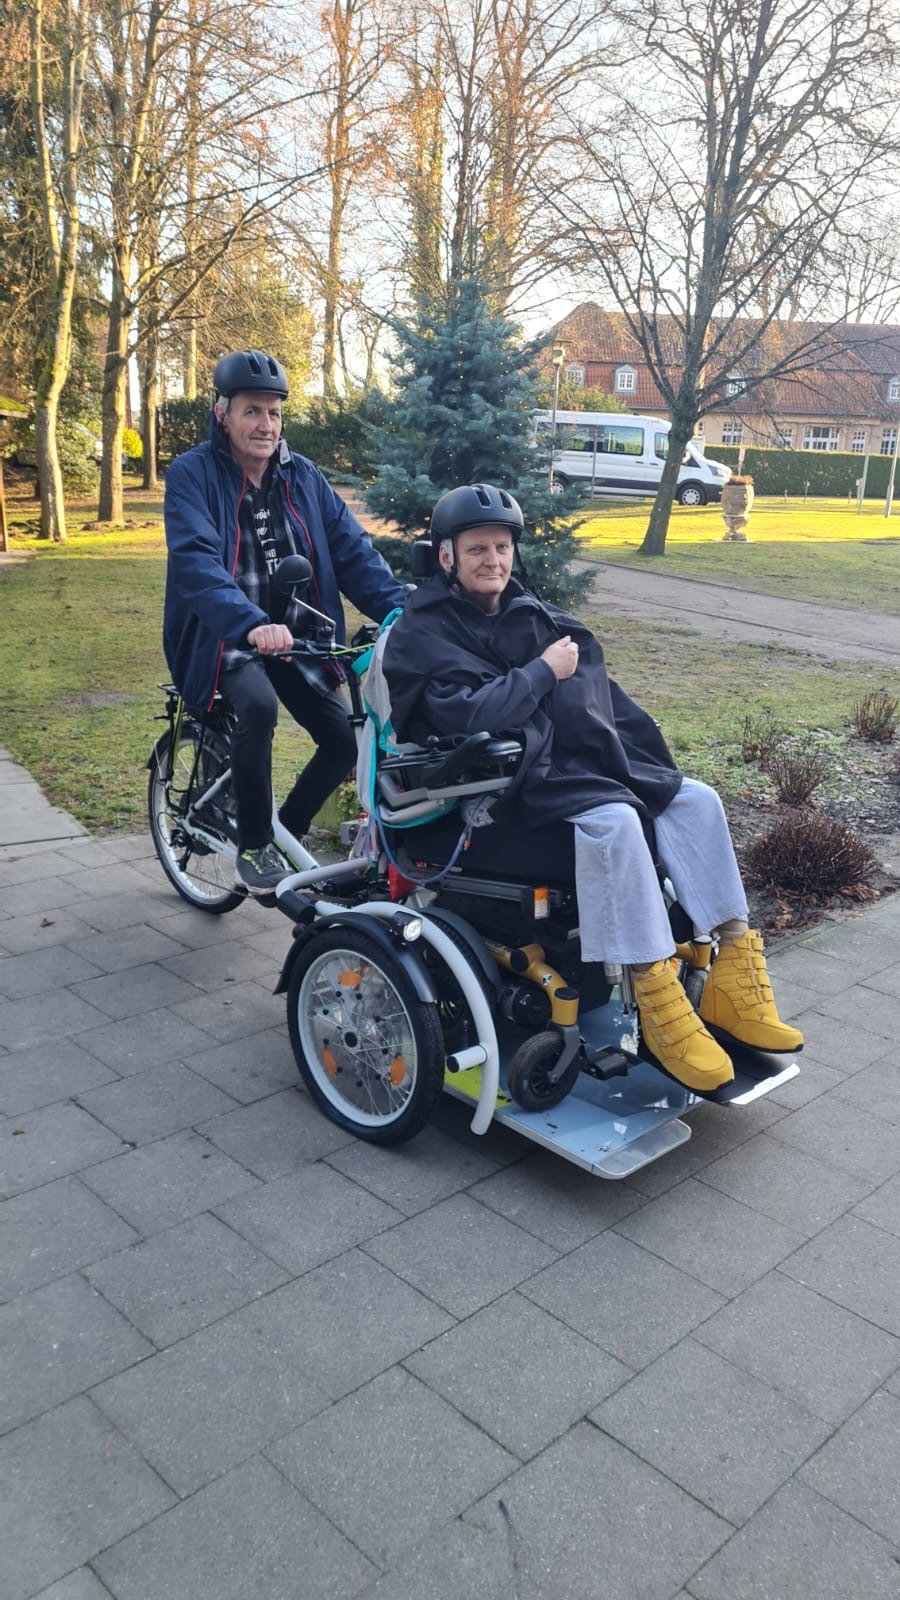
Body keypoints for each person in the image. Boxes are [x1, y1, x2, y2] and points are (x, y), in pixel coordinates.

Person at [381, 482, 803, 1094]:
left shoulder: (529, 612)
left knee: (694, 799)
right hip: (494, 799)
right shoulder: (422, 634)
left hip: (564, 770)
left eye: (501, 547)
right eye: (476, 549)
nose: (492, 560)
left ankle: (733, 974)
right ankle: (654, 996)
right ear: (446, 556)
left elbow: (595, 696)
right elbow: (469, 717)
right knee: (617, 820)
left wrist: (626, 753)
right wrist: (541, 673)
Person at [163, 349, 403, 894]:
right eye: (252, 411)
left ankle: (283, 834)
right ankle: (252, 843)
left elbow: (352, 552)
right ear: (222, 413)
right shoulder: (192, 474)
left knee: (343, 742)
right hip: (225, 635)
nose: (265, 425)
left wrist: (401, 609)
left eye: (274, 413)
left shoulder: (303, 476)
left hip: (297, 632)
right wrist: (248, 623)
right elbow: (197, 563)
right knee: (258, 705)